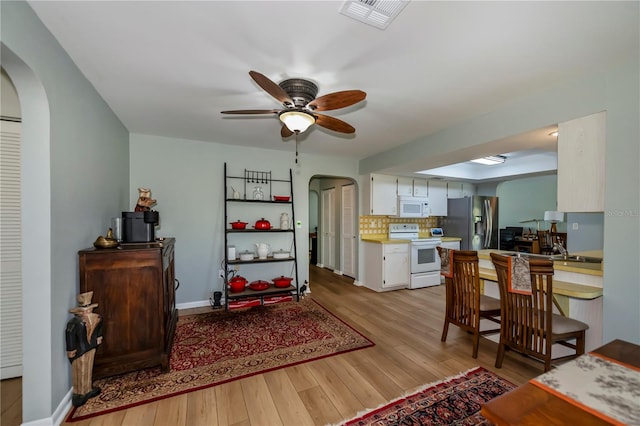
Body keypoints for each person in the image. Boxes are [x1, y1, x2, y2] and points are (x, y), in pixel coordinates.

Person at [66, 291, 103, 407]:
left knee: (89, 366)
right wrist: (71, 350)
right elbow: (70, 335)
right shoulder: (75, 323)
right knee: (80, 368)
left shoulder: (97, 318)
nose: (88, 312)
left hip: (91, 347)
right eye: (85, 311)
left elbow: (99, 330)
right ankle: (80, 392)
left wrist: (98, 338)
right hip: (80, 350)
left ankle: (87, 388)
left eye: (89, 310)